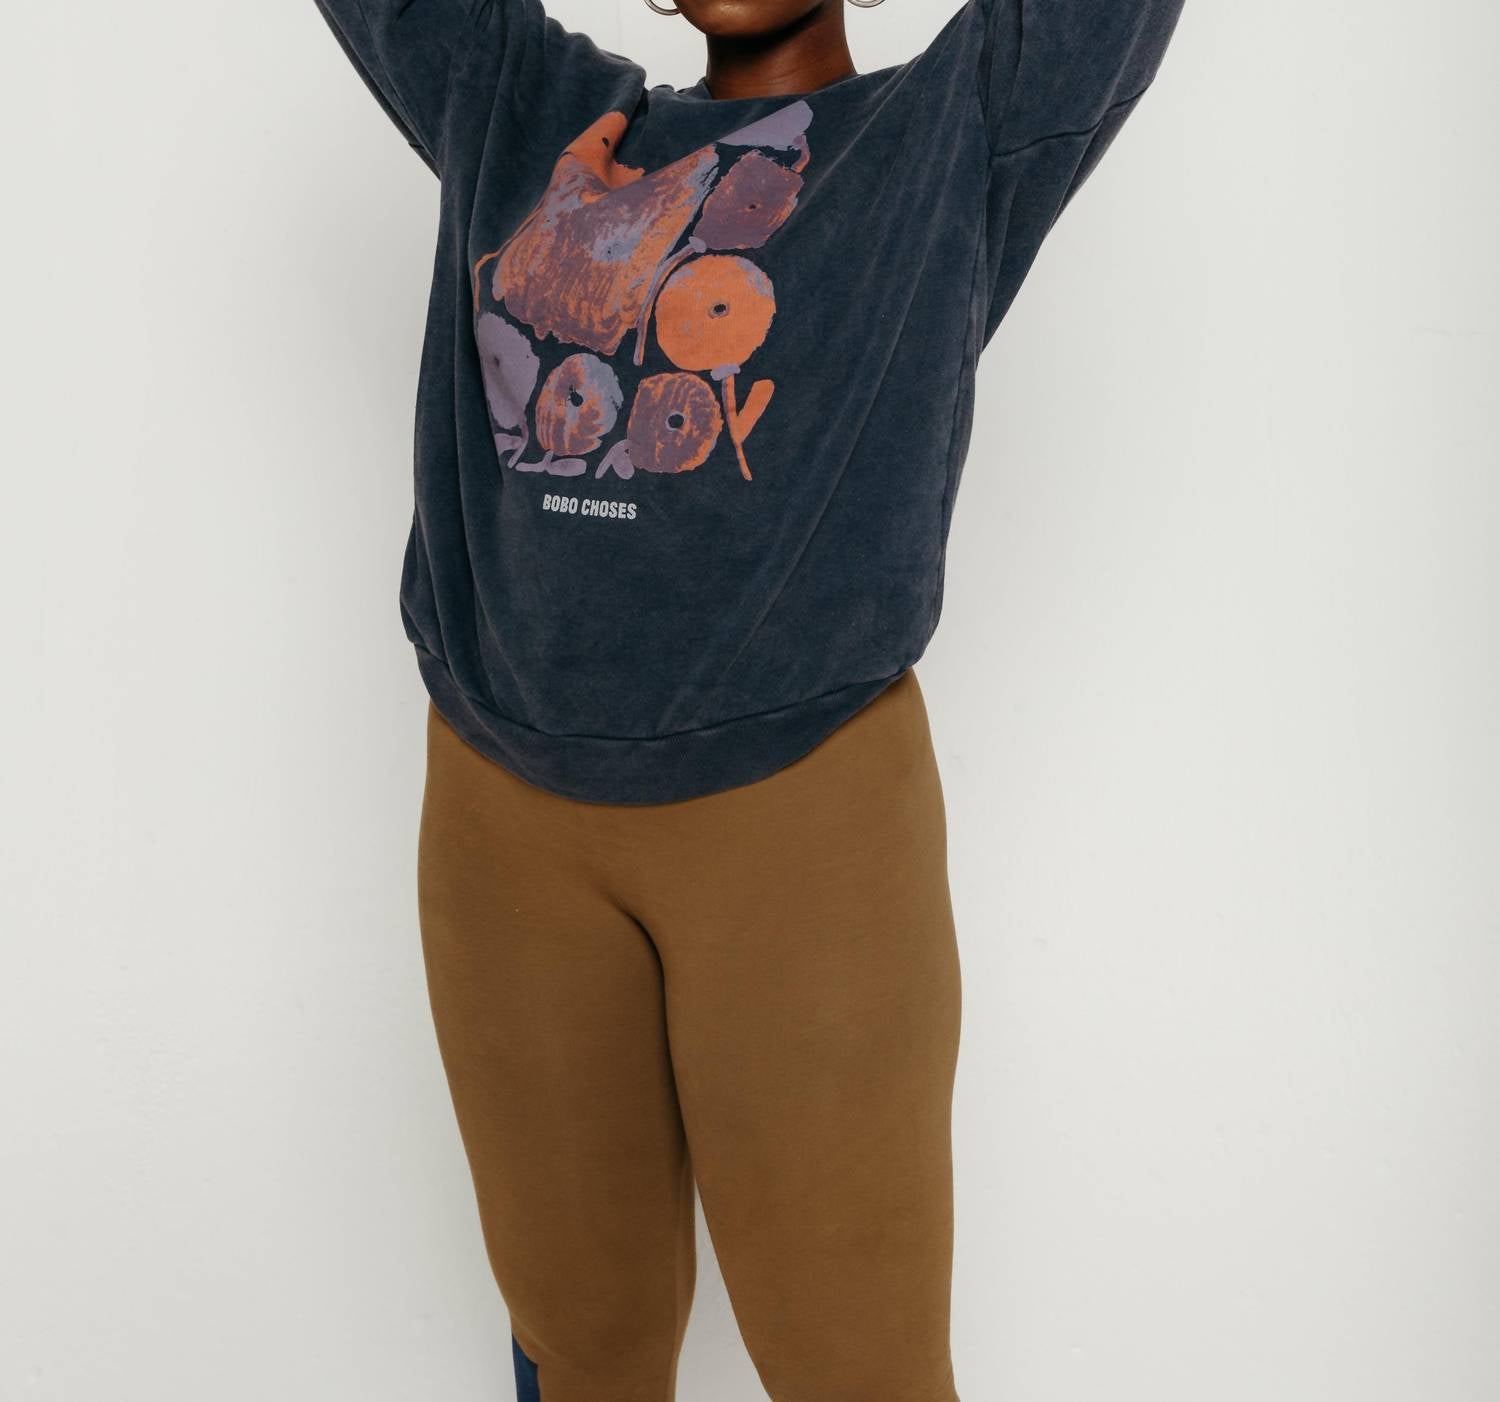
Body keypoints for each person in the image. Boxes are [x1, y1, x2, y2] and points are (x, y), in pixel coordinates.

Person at [309, 1, 1185, 1397]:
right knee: (575, 1342)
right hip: (500, 819)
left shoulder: (941, 132)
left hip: (797, 823)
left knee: (857, 1367)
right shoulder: (525, 102)